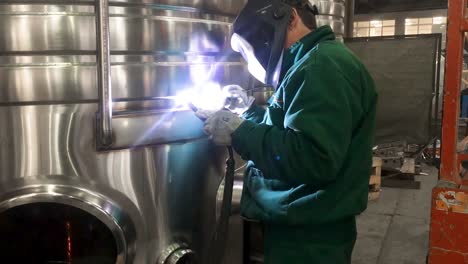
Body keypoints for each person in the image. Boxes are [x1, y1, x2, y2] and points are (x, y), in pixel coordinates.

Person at [197, 0, 377, 263]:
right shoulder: (308, 64)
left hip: (309, 238)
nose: (253, 58)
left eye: (253, 47)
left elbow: (312, 157)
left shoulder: (321, 66)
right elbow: (289, 128)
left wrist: (240, 132)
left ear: (289, 18)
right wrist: (246, 112)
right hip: (302, 225)